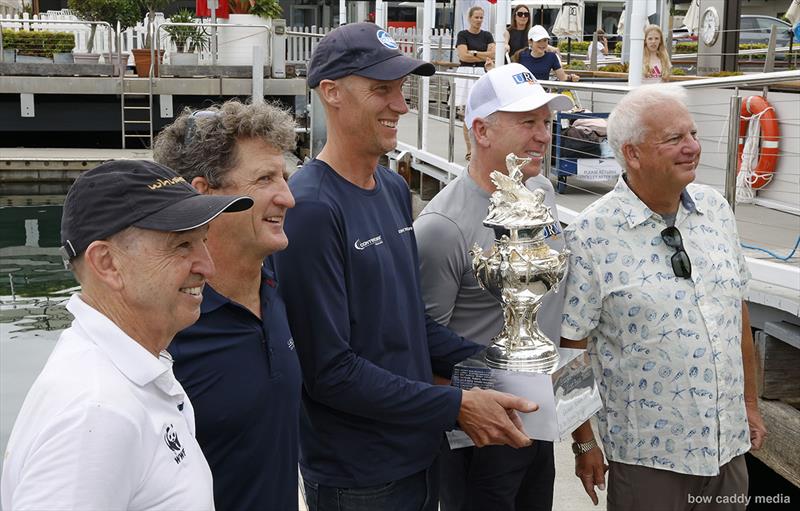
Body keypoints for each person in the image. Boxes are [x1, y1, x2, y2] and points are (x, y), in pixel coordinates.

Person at [273, 22, 539, 511]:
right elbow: (328, 371)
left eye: (401, 89)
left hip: (419, 453)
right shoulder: (310, 208)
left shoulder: (393, 188)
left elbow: (409, 326)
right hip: (360, 475)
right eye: (382, 90)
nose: (402, 104)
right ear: (330, 93)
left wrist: (506, 366)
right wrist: (456, 405)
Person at [0, 160, 253, 510]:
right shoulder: (95, 414)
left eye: (203, 241)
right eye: (182, 245)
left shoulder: (130, 374)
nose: (207, 266)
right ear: (107, 263)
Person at [560, 85, 767, 510]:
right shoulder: (589, 235)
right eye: (674, 139)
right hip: (649, 460)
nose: (692, 147)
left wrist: (749, 403)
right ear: (632, 154)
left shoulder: (716, 210)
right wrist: (583, 444)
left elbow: (736, 314)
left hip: (727, 447)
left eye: (692, 134)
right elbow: (572, 349)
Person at [415, 63, 574, 511]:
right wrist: (477, 404)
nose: (544, 135)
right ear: (481, 131)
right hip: (479, 434)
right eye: (528, 123)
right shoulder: (443, 227)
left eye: (546, 122)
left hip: (538, 416)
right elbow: (421, 349)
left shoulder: (540, 191)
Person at [152, 100, 301, 511]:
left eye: (284, 177)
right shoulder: (163, 331)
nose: (287, 197)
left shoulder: (274, 286)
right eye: (265, 179)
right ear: (203, 196)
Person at [456, 6, 496, 160]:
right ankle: (470, 149)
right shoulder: (463, 34)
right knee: (467, 113)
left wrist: (473, 53)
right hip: (466, 73)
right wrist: (481, 55)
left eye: (481, 17)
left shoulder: (487, 35)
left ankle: (482, 147)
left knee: (483, 112)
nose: (479, 20)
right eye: (476, 17)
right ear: (469, 18)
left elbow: (492, 54)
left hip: (481, 73)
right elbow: (463, 56)